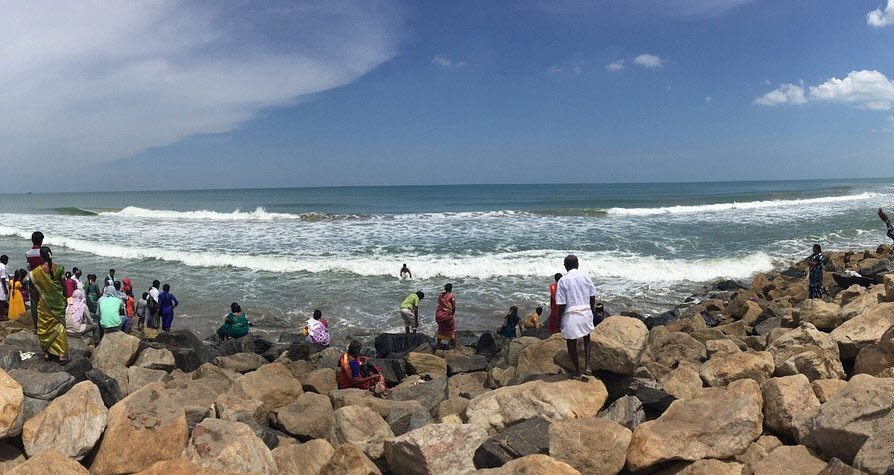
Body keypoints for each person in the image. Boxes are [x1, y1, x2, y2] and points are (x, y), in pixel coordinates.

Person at [556, 254, 597, 380]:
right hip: (586, 311)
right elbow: (592, 296)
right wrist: (591, 311)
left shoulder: (563, 280)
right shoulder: (585, 276)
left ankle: (578, 371)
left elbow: (561, 304)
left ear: (565, 266)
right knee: (587, 337)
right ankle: (588, 366)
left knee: (571, 342)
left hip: (571, 314)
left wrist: (559, 319)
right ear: (578, 264)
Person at [30, 246, 69, 363]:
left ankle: (47, 352)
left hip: (44, 304)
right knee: (60, 326)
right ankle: (62, 355)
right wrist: (65, 298)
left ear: (41, 257)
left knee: (44, 327)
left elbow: (35, 292)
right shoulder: (59, 268)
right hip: (57, 303)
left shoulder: (36, 272)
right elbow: (64, 285)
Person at [25, 231, 44, 332]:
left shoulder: (28, 253)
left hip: (33, 278)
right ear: (41, 240)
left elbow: (28, 267)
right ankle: (45, 325)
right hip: (44, 279)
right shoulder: (44, 252)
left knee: (34, 303)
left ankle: (36, 327)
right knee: (44, 303)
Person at [435, 283, 456, 349]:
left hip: (439, 315)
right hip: (446, 315)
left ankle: (438, 344)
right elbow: (453, 307)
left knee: (441, 328)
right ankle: (454, 346)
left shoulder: (440, 295)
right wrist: (452, 314)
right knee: (451, 328)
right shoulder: (451, 296)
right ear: (451, 289)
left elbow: (440, 303)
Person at [0, 255, 9, 321]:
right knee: (2, 302)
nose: (7, 262)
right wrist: (5, 289)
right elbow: (3, 278)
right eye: (7, 260)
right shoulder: (3, 267)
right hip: (2, 286)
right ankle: (1, 316)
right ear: (4, 260)